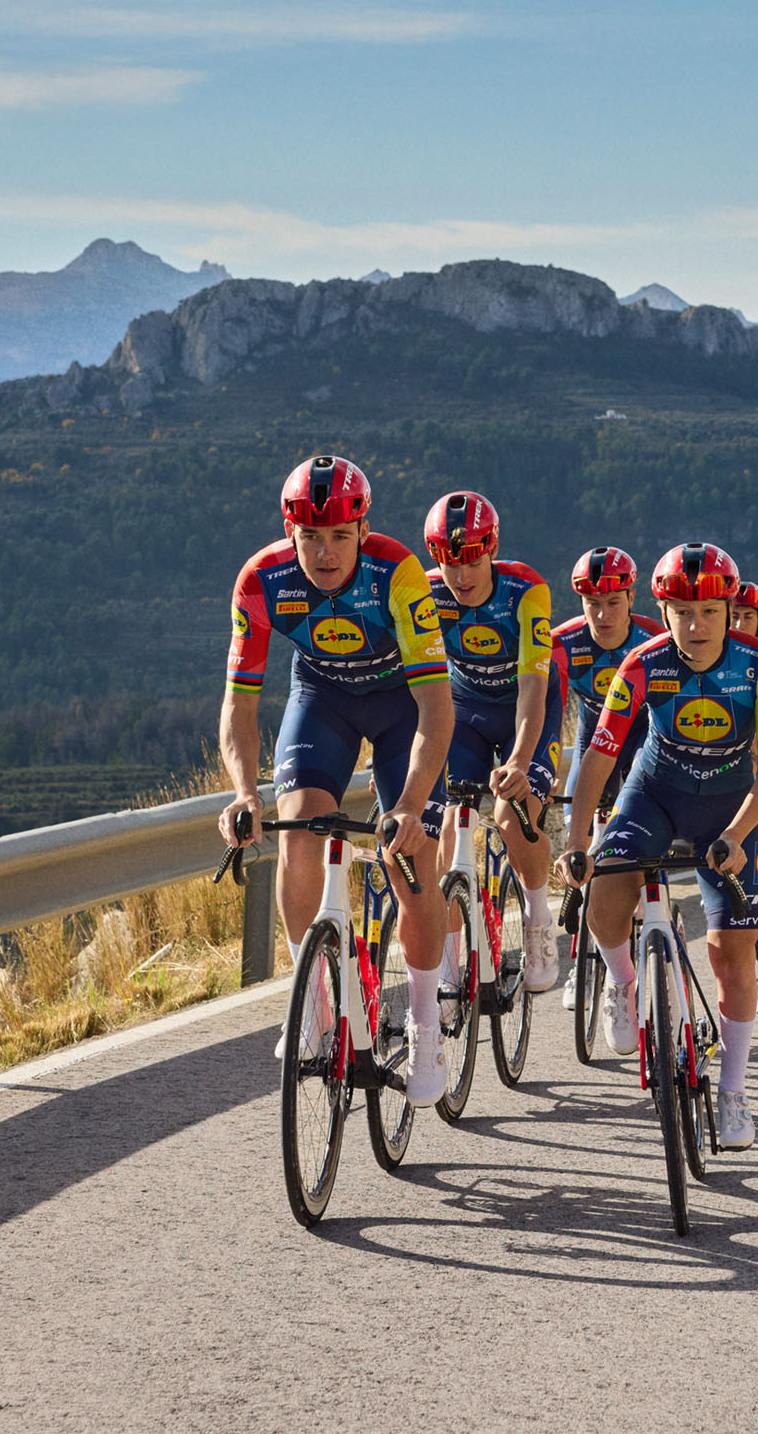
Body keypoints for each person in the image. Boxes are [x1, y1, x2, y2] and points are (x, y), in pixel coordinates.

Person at [219, 455, 453, 1106]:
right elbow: (239, 706)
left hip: (404, 705)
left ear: (363, 529)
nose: (324, 554)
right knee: (297, 837)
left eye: (340, 537)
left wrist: (409, 805)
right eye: (310, 539)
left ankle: (428, 1023)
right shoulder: (261, 581)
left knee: (410, 863)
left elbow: (438, 707)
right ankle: (316, 1006)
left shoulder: (397, 575)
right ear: (288, 533)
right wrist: (245, 793)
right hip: (323, 699)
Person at [560, 543, 758, 1151]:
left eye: (709, 611)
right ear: (663, 612)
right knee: (605, 897)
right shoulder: (640, 664)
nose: (696, 625)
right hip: (654, 793)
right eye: (682, 612)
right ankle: (623, 981)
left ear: (727, 610)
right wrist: (578, 840)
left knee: (730, 952)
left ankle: (735, 1092)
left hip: (729, 808)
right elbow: (599, 757)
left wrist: (738, 837)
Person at [422, 490, 564, 993]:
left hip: (529, 708)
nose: (460, 577)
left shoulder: (526, 591)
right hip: (466, 711)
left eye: (472, 561)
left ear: (491, 550)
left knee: (510, 815)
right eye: (448, 563)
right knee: (447, 822)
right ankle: (452, 961)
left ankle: (537, 915)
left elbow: (532, 688)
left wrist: (521, 761)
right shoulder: (428, 593)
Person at [551, 546, 665, 1010]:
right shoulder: (565, 642)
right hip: (593, 734)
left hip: (643, 732)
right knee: (580, 815)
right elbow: (548, 710)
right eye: (592, 603)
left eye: (613, 602)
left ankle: (637, 898)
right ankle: (586, 961)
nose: (602, 614)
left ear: (631, 598)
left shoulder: (654, 636)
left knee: (630, 822)